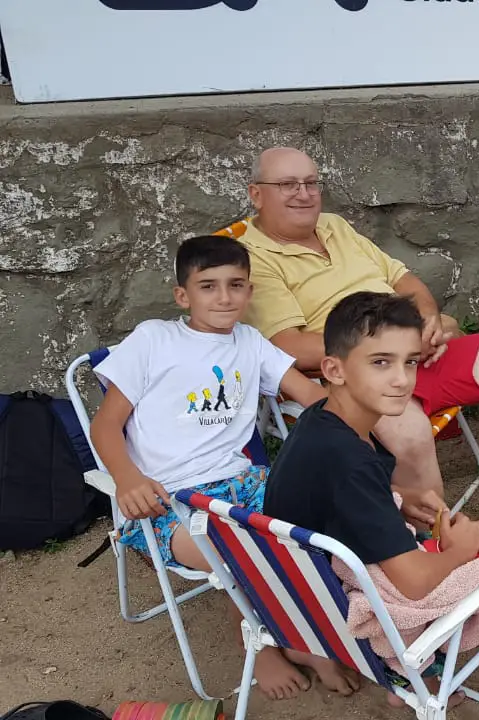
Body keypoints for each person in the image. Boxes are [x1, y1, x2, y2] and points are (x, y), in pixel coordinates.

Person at [262, 291, 479, 720]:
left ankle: (428, 675)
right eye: (380, 362)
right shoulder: (350, 463)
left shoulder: (323, 423)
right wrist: (461, 552)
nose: (401, 379)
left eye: (409, 362)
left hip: (324, 588)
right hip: (377, 614)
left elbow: (340, 501)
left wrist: (398, 500)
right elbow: (414, 585)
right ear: (334, 369)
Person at [88, 235, 353, 701]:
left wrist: (359, 411)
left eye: (236, 285)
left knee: (331, 517)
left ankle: (306, 636)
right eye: (208, 286)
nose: (224, 297)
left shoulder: (250, 342)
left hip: (244, 483)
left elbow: (311, 397)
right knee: (246, 546)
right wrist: (127, 479)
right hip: (167, 499)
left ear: (250, 292)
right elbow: (106, 425)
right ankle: (260, 642)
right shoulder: (154, 339)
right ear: (182, 295)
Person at [238, 147, 479, 506]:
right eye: (288, 184)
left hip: (421, 351)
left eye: (310, 183)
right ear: (256, 194)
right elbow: (289, 346)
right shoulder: (251, 258)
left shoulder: (333, 226)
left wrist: (428, 320)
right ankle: (434, 533)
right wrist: (392, 346)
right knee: (411, 437)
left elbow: (406, 282)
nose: (303, 194)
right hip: (362, 379)